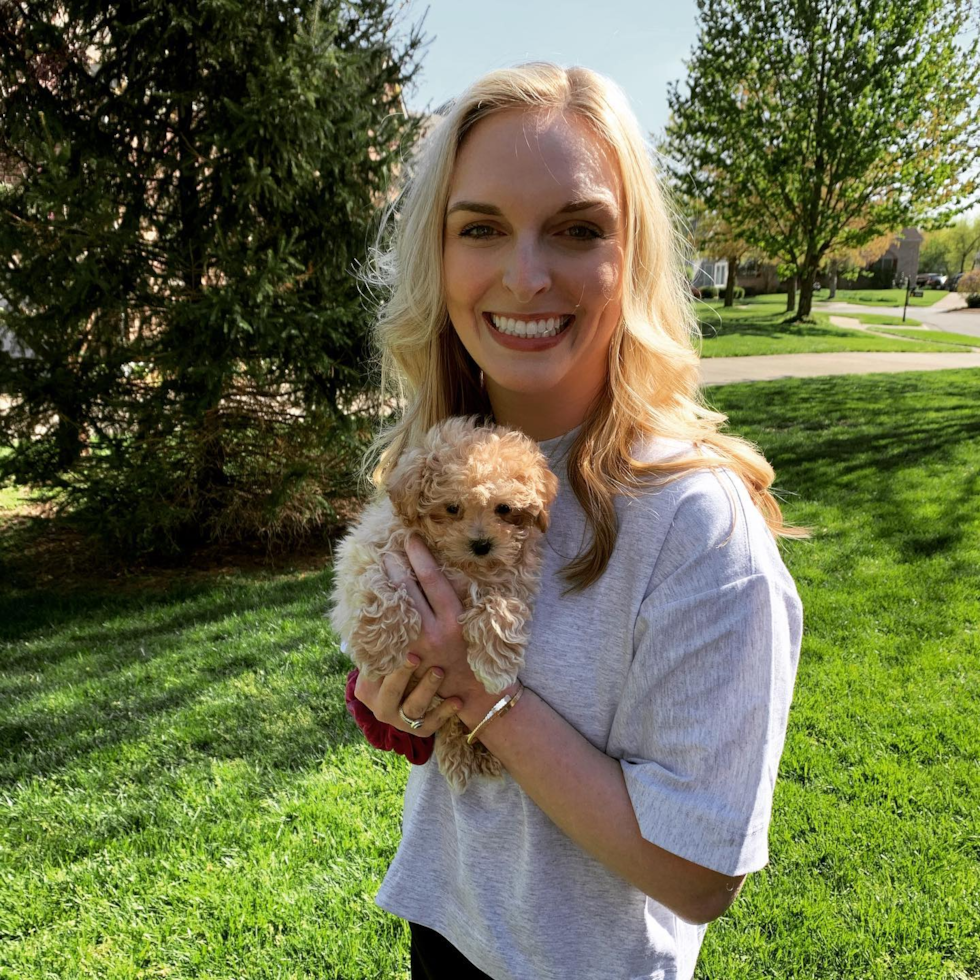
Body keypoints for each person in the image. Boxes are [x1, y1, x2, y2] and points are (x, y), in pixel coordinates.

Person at [346, 62, 805, 980]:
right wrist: (397, 702)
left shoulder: (694, 525)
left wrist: (479, 697)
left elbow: (699, 874)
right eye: (481, 228)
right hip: (448, 922)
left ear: (629, 257)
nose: (524, 276)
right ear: (438, 256)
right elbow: (415, 683)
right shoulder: (440, 462)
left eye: (576, 229)